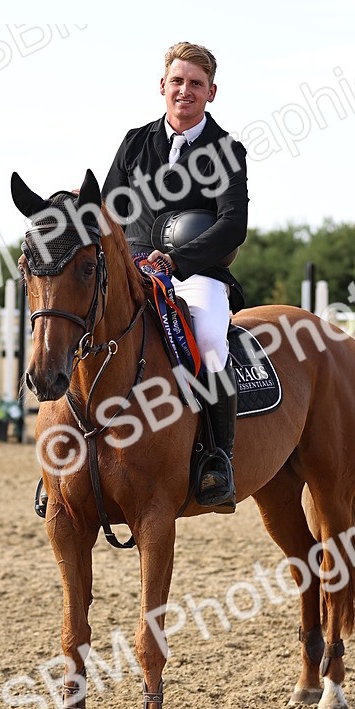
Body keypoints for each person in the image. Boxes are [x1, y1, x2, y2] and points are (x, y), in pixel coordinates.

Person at [102, 42, 249, 510]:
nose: (186, 91)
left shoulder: (227, 150)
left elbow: (233, 224)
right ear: (162, 86)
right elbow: (108, 210)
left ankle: (217, 461)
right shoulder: (134, 142)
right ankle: (70, 456)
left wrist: (179, 261)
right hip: (135, 268)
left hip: (195, 273)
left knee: (207, 339)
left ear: (212, 93)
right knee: (85, 328)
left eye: (196, 84)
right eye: (178, 81)